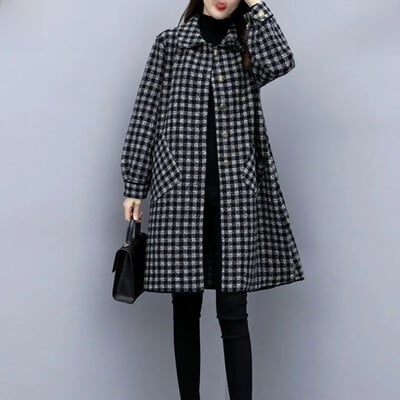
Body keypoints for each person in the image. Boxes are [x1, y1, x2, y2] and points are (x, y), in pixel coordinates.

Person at [120, 1, 305, 399]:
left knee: (234, 311)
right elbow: (146, 113)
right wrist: (135, 184)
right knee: (185, 310)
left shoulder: (248, 47)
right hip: (178, 193)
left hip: (235, 194)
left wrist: (257, 6)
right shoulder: (170, 44)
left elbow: (282, 61)